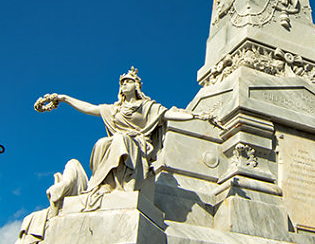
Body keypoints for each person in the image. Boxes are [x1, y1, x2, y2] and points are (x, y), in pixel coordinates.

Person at [35, 68, 211, 211]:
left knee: (121, 140)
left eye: (128, 81)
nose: (124, 84)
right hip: (118, 143)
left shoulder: (148, 107)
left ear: (137, 86)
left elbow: (169, 114)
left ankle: (123, 184)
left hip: (139, 144)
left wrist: (197, 116)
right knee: (102, 143)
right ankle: (104, 184)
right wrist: (65, 98)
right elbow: (89, 108)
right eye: (122, 82)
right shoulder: (115, 109)